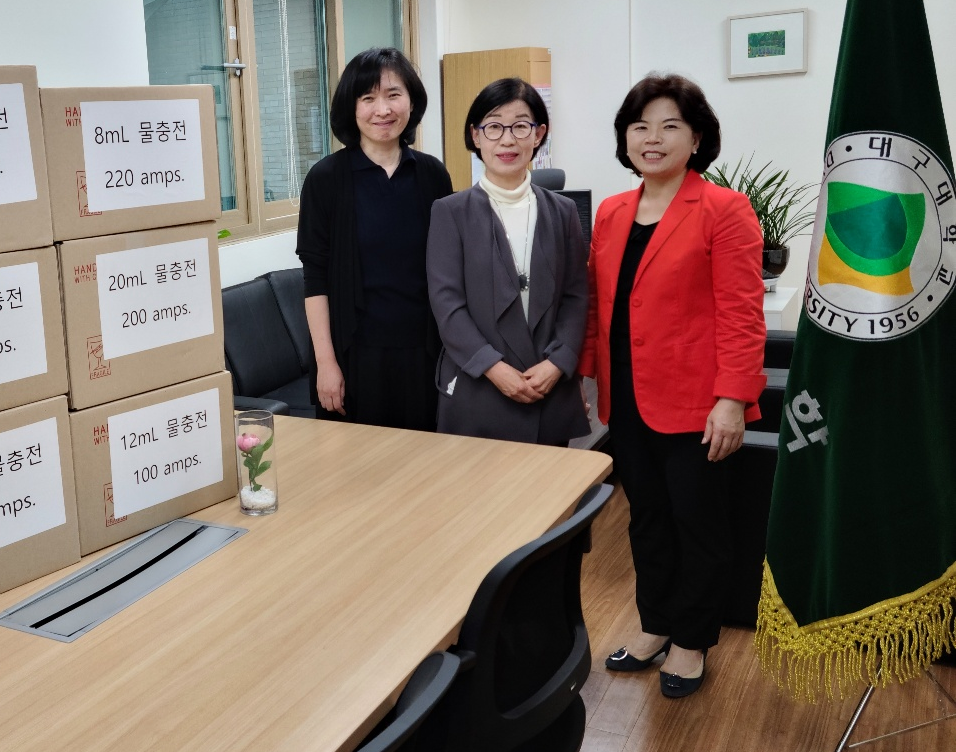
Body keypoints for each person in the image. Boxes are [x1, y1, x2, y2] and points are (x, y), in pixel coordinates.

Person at [579, 73, 765, 699]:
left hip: (697, 405)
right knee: (647, 521)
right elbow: (599, 306)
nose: (652, 139)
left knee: (698, 525)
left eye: (669, 126)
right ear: (625, 138)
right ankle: (656, 623)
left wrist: (732, 398)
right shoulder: (612, 212)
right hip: (627, 400)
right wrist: (584, 377)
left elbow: (742, 314)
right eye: (640, 126)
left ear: (697, 138)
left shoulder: (724, 210)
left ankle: (691, 640)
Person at [296, 47, 453, 430]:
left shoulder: (432, 175)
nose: (383, 109)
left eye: (393, 95)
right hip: (354, 357)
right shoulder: (326, 179)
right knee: (355, 461)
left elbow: (449, 270)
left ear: (411, 102)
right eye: (368, 98)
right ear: (351, 108)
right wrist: (326, 363)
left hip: (424, 353)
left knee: (425, 458)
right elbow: (315, 278)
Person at [426, 78, 589, 446]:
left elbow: (576, 296)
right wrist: (493, 368)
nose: (507, 139)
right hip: (478, 388)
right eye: (494, 126)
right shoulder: (450, 212)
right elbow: (447, 305)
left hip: (548, 387)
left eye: (520, 126)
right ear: (476, 136)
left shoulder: (562, 211)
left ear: (539, 134)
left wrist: (558, 363)